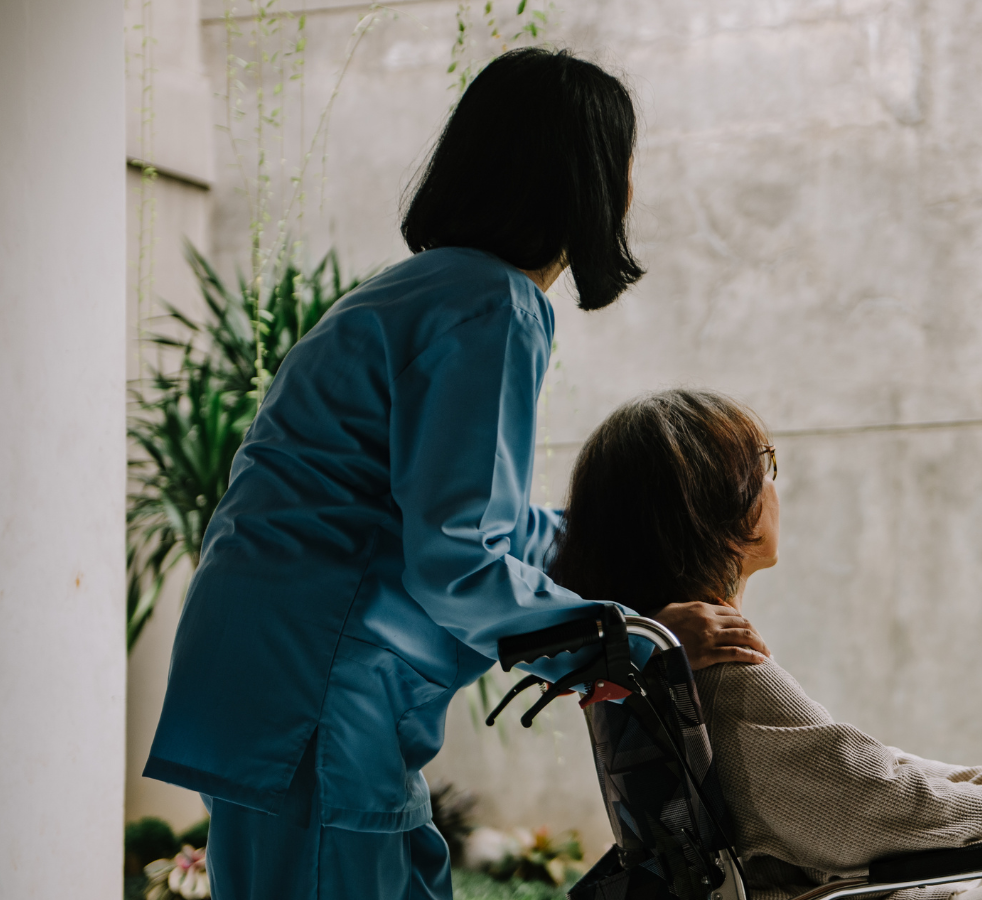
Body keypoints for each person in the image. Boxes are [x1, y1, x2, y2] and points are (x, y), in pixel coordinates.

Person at [143, 50, 767, 900]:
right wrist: (635, 642)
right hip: (321, 690)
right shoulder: (491, 307)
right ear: (585, 175)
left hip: (283, 674)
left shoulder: (420, 292)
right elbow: (458, 558)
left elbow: (465, 523)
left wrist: (615, 543)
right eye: (624, 162)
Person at [547, 389, 982, 900]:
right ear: (722, 516)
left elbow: (876, 778)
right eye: (763, 467)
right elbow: (887, 806)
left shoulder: (647, 659)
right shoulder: (724, 677)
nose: (773, 485)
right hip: (865, 889)